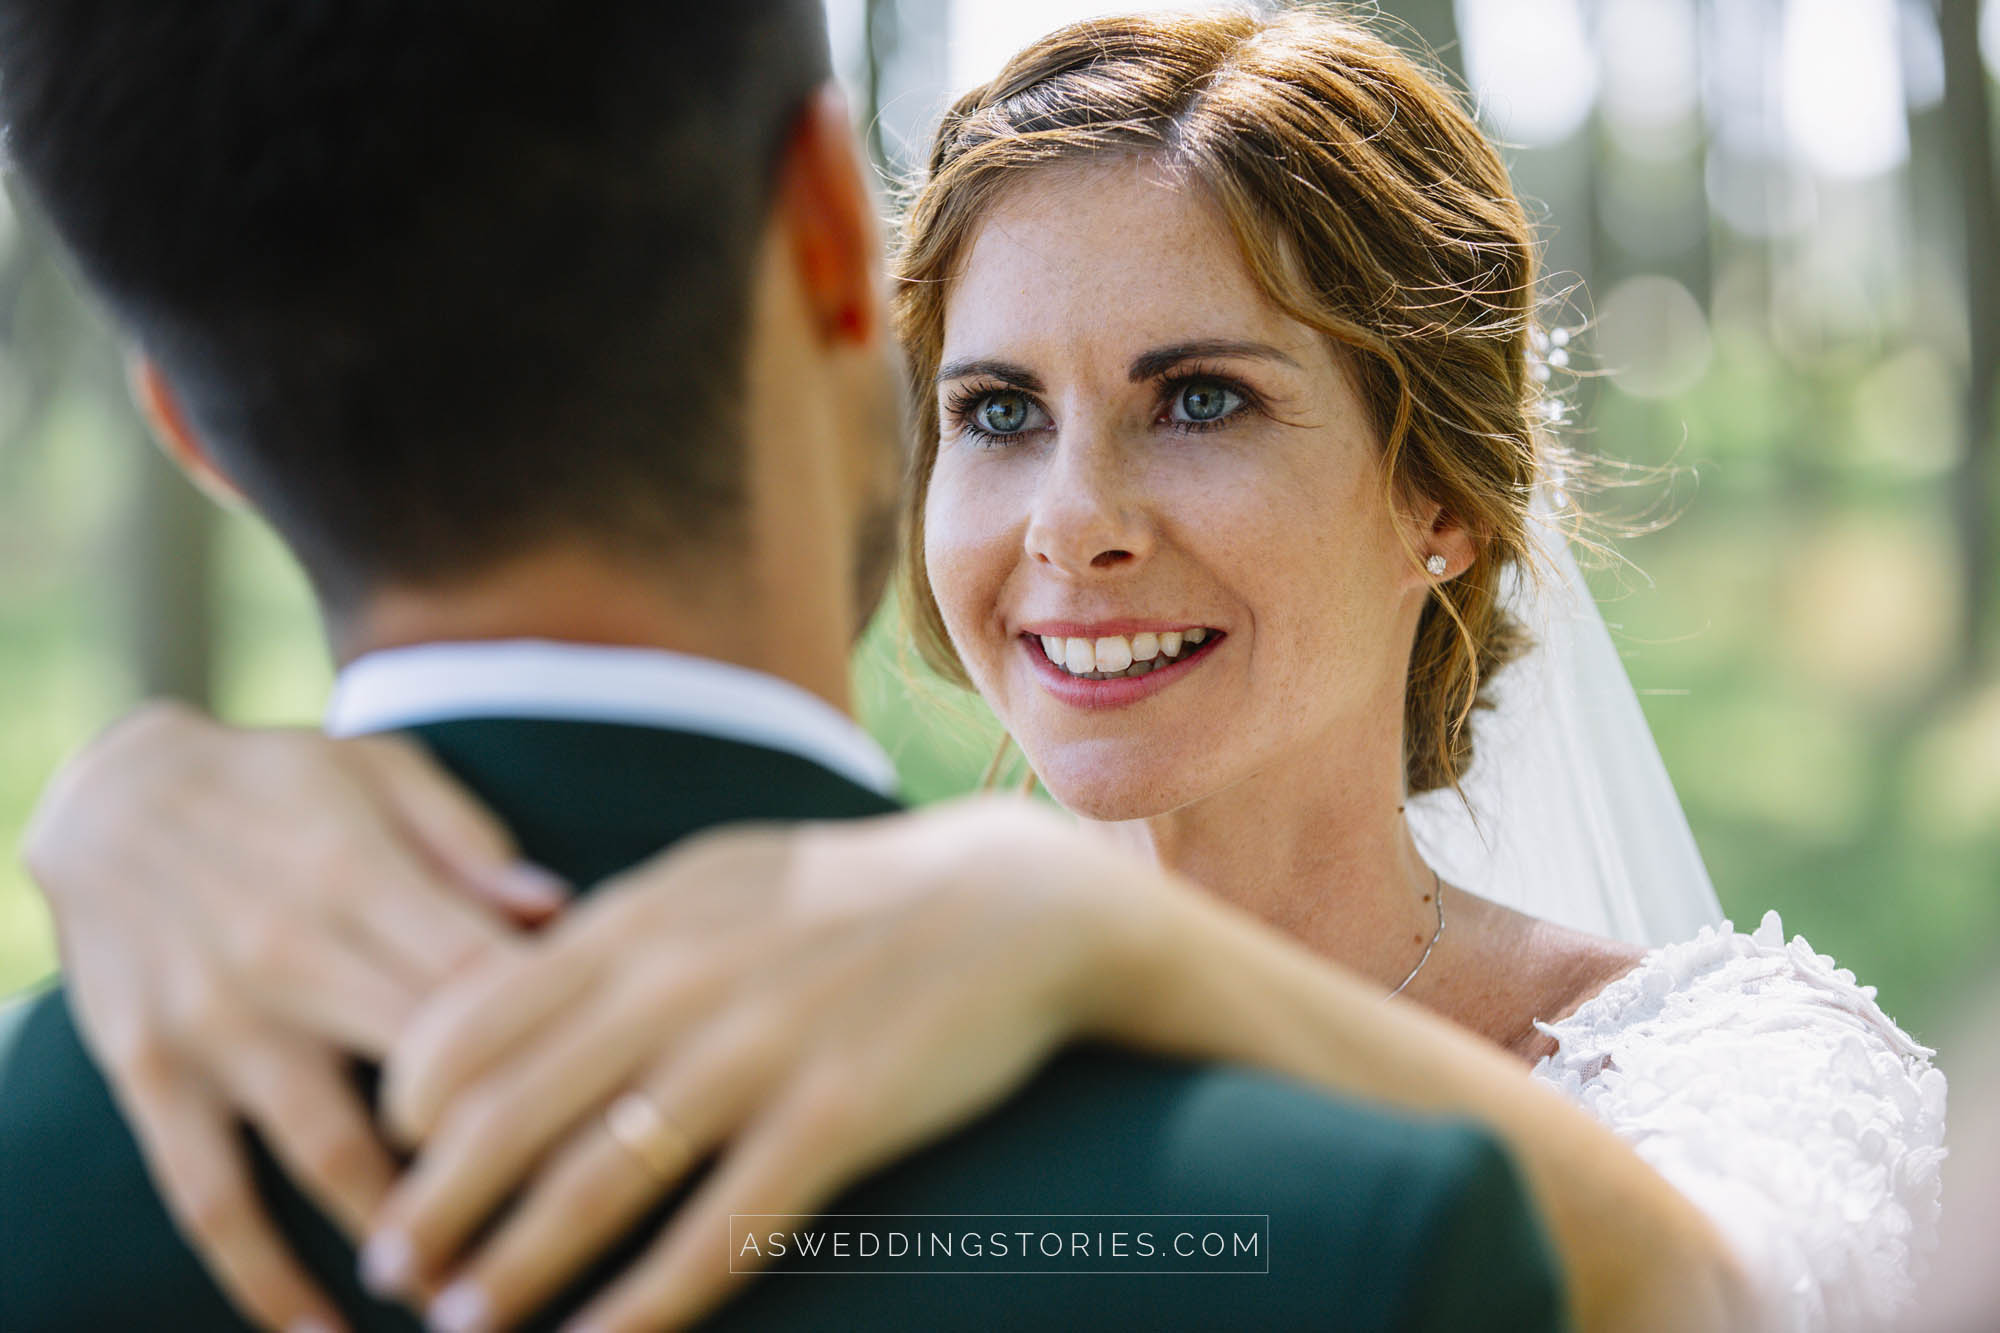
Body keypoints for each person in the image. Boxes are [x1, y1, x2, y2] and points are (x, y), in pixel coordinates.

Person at [15, 6, 1937, 1333]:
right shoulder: (809, 941)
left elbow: (1727, 1299)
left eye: (1201, 399)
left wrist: (1119, 946)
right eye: (998, 411)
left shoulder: (1734, 1056)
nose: (1071, 522)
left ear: (1437, 494)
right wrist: (105, 801)